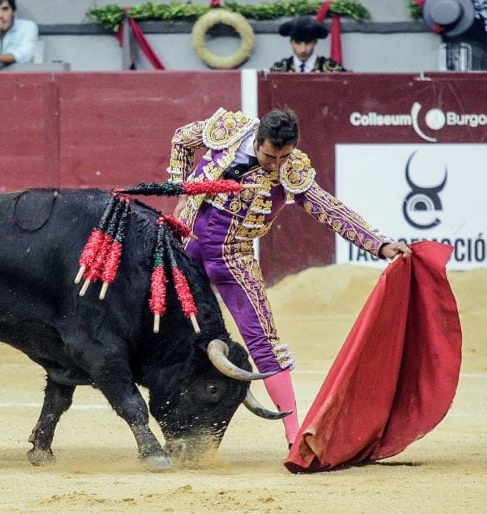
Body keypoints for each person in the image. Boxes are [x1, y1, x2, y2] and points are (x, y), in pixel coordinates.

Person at [168, 108, 411, 447]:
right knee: (158, 326)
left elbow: (329, 209)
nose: (275, 163)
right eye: (270, 155)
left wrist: (380, 244)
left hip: (233, 260)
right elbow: (181, 139)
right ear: (257, 140)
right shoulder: (228, 130)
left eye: (284, 155)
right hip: (186, 247)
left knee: (264, 342)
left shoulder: (291, 170)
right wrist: (181, 190)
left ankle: (294, 435)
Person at [270, 16, 345, 73]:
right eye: (298, 43)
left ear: (315, 42)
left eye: (308, 43)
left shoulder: (333, 71)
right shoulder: (279, 71)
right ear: (291, 42)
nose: (303, 49)